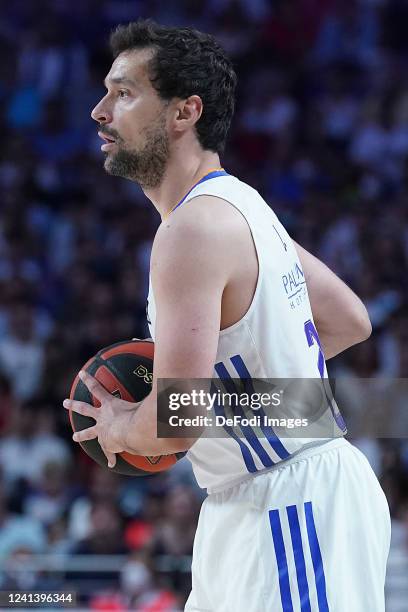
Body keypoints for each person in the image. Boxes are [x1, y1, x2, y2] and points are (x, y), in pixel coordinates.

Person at [64, 19, 390, 611]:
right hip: (255, 500)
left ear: (184, 113)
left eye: (124, 92)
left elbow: (175, 421)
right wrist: (239, 399)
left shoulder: (193, 228)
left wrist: (119, 427)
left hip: (290, 502)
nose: (99, 111)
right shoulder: (242, 204)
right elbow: (348, 321)